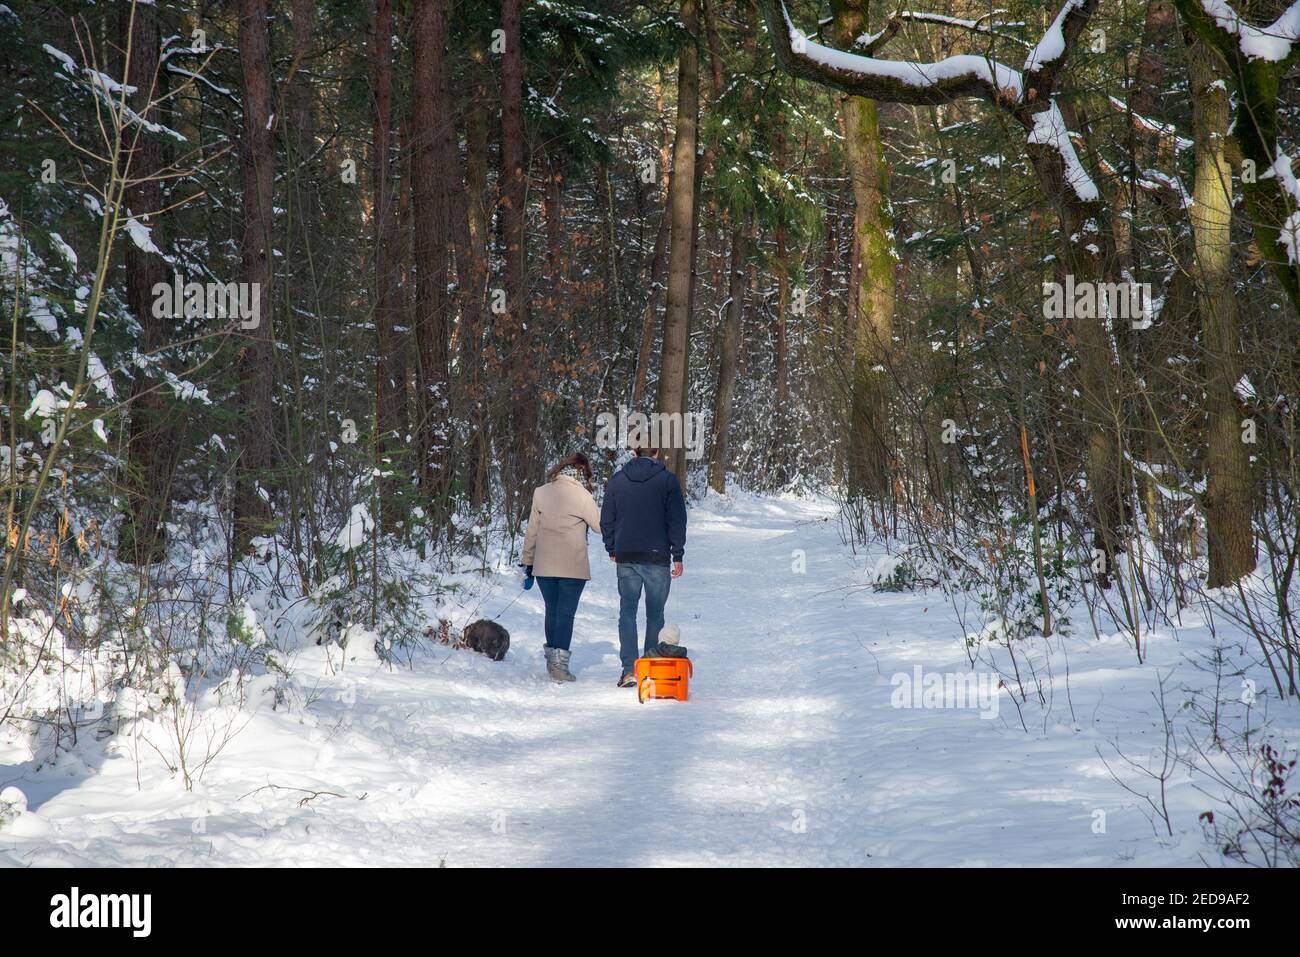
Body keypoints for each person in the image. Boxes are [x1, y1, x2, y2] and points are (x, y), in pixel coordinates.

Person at [600, 445, 687, 687]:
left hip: (626, 555)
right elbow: (677, 520)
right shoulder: (668, 481)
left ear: (634, 453)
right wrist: (677, 553)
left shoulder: (618, 481)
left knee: (627, 612)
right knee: (655, 614)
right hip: (658, 557)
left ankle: (629, 670)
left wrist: (612, 548)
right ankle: (649, 667)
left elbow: (607, 517)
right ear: (657, 453)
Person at [521, 453, 602, 682]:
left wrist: (527, 563)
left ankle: (552, 662)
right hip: (573, 567)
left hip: (544, 566)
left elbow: (532, 531)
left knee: (552, 611)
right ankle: (560, 666)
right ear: (583, 472)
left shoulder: (541, 492)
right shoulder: (583, 496)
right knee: (565, 614)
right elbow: (600, 526)